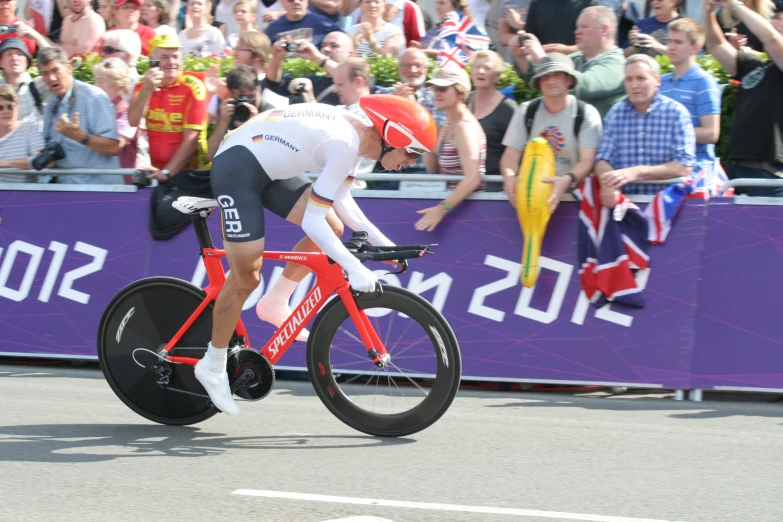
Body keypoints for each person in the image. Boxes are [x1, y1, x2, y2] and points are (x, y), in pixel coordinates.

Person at [196, 95, 437, 415]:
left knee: (333, 228)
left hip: (268, 165)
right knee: (246, 278)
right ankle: (211, 366)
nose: (412, 160)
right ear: (394, 137)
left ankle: (275, 303)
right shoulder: (344, 146)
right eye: (413, 152)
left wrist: (384, 246)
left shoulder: (359, 142)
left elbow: (342, 200)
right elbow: (312, 219)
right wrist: (353, 267)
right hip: (237, 168)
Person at [501, 53, 602, 213]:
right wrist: (509, 176)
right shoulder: (526, 111)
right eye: (545, 77)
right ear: (539, 83)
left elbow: (587, 161)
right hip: (531, 199)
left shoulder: (586, 113)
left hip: (573, 199)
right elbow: (510, 156)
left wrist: (565, 180)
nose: (551, 81)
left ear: (569, 80)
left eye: (557, 75)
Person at [703, 0, 783, 197]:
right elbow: (716, 45)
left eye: (780, 21)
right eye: (774, 19)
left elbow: (771, 39)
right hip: (735, 170)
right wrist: (708, 12)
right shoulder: (754, 65)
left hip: (768, 174)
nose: (775, 23)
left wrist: (735, 5)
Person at [596, 54, 695, 206]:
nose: (634, 85)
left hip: (667, 207)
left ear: (657, 81)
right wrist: (608, 183)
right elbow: (602, 159)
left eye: (640, 78)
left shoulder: (676, 113)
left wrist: (637, 172)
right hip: (624, 206)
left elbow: (683, 166)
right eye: (629, 79)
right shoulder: (616, 113)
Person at [513, 5, 626, 117]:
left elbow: (584, 86)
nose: (577, 32)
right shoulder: (577, 58)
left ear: (604, 30)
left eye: (584, 27)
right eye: (577, 27)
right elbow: (540, 80)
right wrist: (522, 57)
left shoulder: (617, 64)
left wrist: (542, 58)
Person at [128, 33, 210, 181]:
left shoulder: (192, 87)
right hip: (150, 171)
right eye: (164, 57)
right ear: (153, 61)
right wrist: (147, 90)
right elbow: (133, 121)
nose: (171, 62)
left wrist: (167, 173)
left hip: (184, 173)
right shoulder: (143, 87)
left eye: (176, 57)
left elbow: (192, 139)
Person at [38, 46, 122, 184]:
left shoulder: (94, 97)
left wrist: (80, 137)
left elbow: (113, 147)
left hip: (97, 190)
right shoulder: (51, 104)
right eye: (45, 73)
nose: (51, 78)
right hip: (65, 188)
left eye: (55, 70)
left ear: (68, 67)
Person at [420, 66, 486, 232]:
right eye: (435, 88)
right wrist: (424, 135)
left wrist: (442, 209)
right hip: (454, 209)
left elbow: (473, 179)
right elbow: (433, 170)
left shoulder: (464, 128)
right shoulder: (449, 123)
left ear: (460, 92)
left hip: (467, 214)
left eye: (443, 88)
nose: (436, 93)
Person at [660, 17, 722, 193]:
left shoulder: (705, 82)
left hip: (696, 177)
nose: (670, 47)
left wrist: (668, 133)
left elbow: (711, 133)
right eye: (669, 41)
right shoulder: (661, 82)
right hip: (665, 171)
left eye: (678, 42)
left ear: (695, 47)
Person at [264, 30, 355, 105]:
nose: (325, 49)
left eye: (334, 46)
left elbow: (347, 75)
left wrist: (317, 58)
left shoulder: (357, 83)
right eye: (323, 45)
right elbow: (274, 83)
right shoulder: (310, 81)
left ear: (351, 55)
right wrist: (276, 58)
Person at [467, 50, 516, 186]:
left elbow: (516, 152)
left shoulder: (508, 108)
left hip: (494, 184)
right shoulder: (463, 102)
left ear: (497, 77)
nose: (480, 71)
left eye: (487, 68)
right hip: (461, 181)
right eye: (477, 67)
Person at [206, 64, 273, 160]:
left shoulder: (269, 113)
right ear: (230, 94)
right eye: (241, 98)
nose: (247, 102)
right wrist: (223, 123)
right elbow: (210, 155)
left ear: (258, 89)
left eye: (251, 97)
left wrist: (255, 125)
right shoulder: (229, 111)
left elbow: (270, 156)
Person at [93, 57, 149, 172]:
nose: (95, 86)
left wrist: (80, 137)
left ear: (117, 84)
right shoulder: (97, 109)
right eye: (96, 81)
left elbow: (115, 146)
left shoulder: (126, 113)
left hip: (121, 180)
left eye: (101, 81)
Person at [0, 38, 51, 125]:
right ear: (1, 62)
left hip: (34, 137)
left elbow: (55, 60)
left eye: (19, 54)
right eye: (9, 54)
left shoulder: (38, 84)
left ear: (27, 62)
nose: (14, 58)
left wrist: (32, 34)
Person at [0, 85, 44, 183]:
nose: (5, 111)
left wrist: (6, 163)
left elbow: (42, 160)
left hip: (23, 194)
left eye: (10, 107)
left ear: (17, 108)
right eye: (0, 108)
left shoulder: (28, 127)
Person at [264, 0, 343, 48]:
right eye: (291, 0)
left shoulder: (324, 24)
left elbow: (344, 43)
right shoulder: (273, 28)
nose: (297, 2)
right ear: (282, 3)